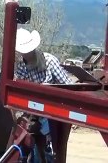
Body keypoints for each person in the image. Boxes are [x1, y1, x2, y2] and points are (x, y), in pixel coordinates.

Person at [14, 28, 73, 162]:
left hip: (55, 111)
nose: (26, 54)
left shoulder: (49, 61)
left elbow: (68, 86)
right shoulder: (22, 68)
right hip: (34, 112)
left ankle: (49, 153)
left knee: (49, 140)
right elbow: (20, 92)